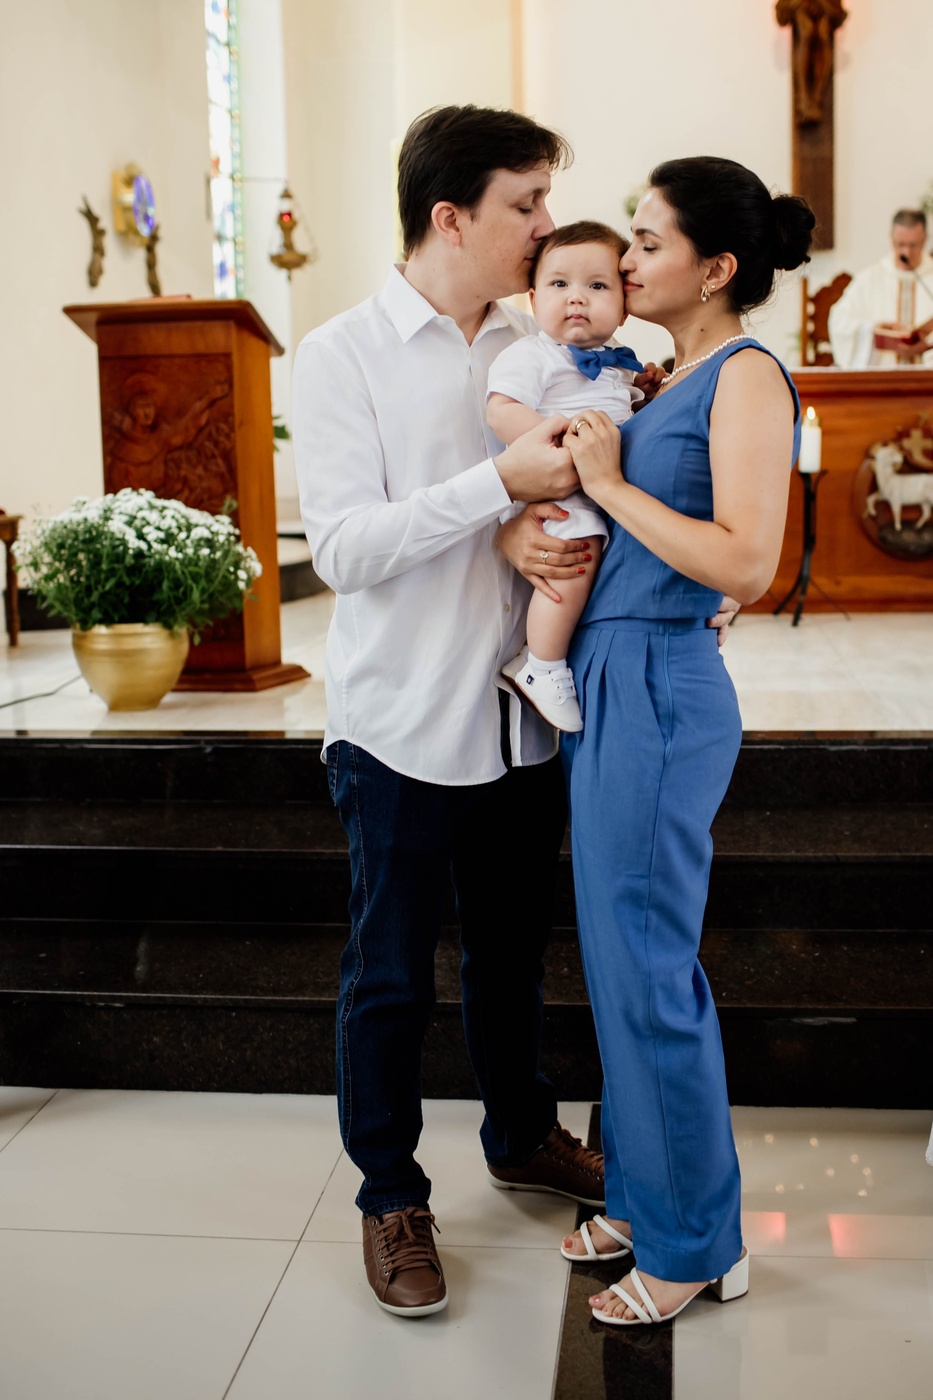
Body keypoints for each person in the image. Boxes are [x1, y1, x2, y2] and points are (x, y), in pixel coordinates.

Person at [292, 104, 611, 1320]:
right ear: (452, 216)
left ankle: (521, 1133)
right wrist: (497, 488)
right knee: (389, 975)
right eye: (526, 204)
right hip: (399, 719)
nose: (545, 226)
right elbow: (344, 548)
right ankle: (390, 1193)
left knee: (511, 959)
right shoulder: (341, 354)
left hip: (516, 710)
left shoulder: (539, 344)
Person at [546, 156, 814, 1326]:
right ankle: (650, 1199)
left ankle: (699, 1240)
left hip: (658, 681)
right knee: (619, 961)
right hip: (613, 672)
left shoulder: (747, 374)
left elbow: (748, 560)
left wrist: (609, 484)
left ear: (716, 269)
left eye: (650, 241)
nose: (626, 258)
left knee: (650, 966)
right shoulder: (669, 377)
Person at [487, 220, 645, 732]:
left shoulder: (617, 364)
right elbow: (501, 410)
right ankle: (542, 663)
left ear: (624, 305)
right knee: (578, 554)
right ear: (533, 299)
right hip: (559, 490)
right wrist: (558, 444)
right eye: (559, 284)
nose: (577, 297)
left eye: (597, 285)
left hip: (601, 488)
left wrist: (648, 390)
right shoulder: (532, 354)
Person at [828, 210, 933, 367]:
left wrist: (927, 345)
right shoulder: (869, 279)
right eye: (900, 244)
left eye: (913, 245)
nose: (906, 252)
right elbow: (838, 321)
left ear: (924, 240)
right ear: (891, 239)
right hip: (882, 376)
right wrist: (872, 331)